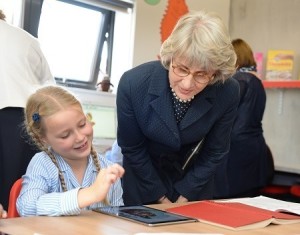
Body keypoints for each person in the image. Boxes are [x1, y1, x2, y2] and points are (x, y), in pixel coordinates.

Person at [116, 10, 240, 206]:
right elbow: (132, 148)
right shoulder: (134, 83)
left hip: (194, 181)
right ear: (170, 57)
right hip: (144, 179)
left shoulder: (227, 91)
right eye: (181, 69)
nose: (187, 84)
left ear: (215, 73)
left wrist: (185, 196)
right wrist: (161, 198)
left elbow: (215, 151)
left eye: (202, 74)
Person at [17, 86, 124, 216]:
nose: (80, 138)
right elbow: (27, 207)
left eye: (82, 124)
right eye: (65, 135)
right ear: (44, 139)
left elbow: (117, 218)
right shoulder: (43, 164)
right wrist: (88, 194)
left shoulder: (107, 169)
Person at [0, 9, 55, 210]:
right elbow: (50, 89)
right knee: (23, 199)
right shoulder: (26, 39)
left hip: (20, 118)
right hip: (27, 122)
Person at [214, 38, 274, 199]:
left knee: (231, 204)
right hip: (255, 147)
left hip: (236, 151)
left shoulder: (239, 81)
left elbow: (221, 113)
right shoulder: (256, 81)